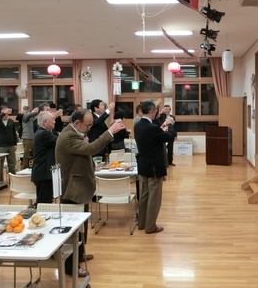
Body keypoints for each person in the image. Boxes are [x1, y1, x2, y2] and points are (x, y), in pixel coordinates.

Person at [55, 109, 125, 277]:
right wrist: (110, 131)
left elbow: (85, 147)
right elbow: (91, 149)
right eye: (88, 125)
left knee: (82, 227)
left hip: (80, 185)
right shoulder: (68, 137)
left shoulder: (73, 132)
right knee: (74, 229)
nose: (90, 128)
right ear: (77, 123)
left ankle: (79, 254)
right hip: (73, 188)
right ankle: (70, 267)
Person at [134, 99, 176, 234]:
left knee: (144, 195)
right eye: (156, 110)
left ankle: (142, 223)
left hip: (143, 164)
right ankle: (150, 226)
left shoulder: (139, 124)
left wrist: (162, 128)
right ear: (152, 110)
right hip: (153, 166)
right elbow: (169, 137)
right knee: (154, 198)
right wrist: (170, 125)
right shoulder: (151, 127)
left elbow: (155, 136)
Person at [31, 111, 57, 204]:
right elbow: (60, 141)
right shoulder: (44, 134)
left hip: (43, 172)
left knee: (45, 201)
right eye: (52, 120)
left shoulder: (42, 132)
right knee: (44, 203)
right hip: (44, 173)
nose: (55, 122)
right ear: (45, 122)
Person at [0, 106, 18, 179]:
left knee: (12, 163)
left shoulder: (10, 121)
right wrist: (3, 113)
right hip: (1, 145)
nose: (6, 115)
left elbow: (14, 133)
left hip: (10, 145)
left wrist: (15, 143)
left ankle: (13, 179)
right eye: (4, 113)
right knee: (0, 164)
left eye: (7, 114)